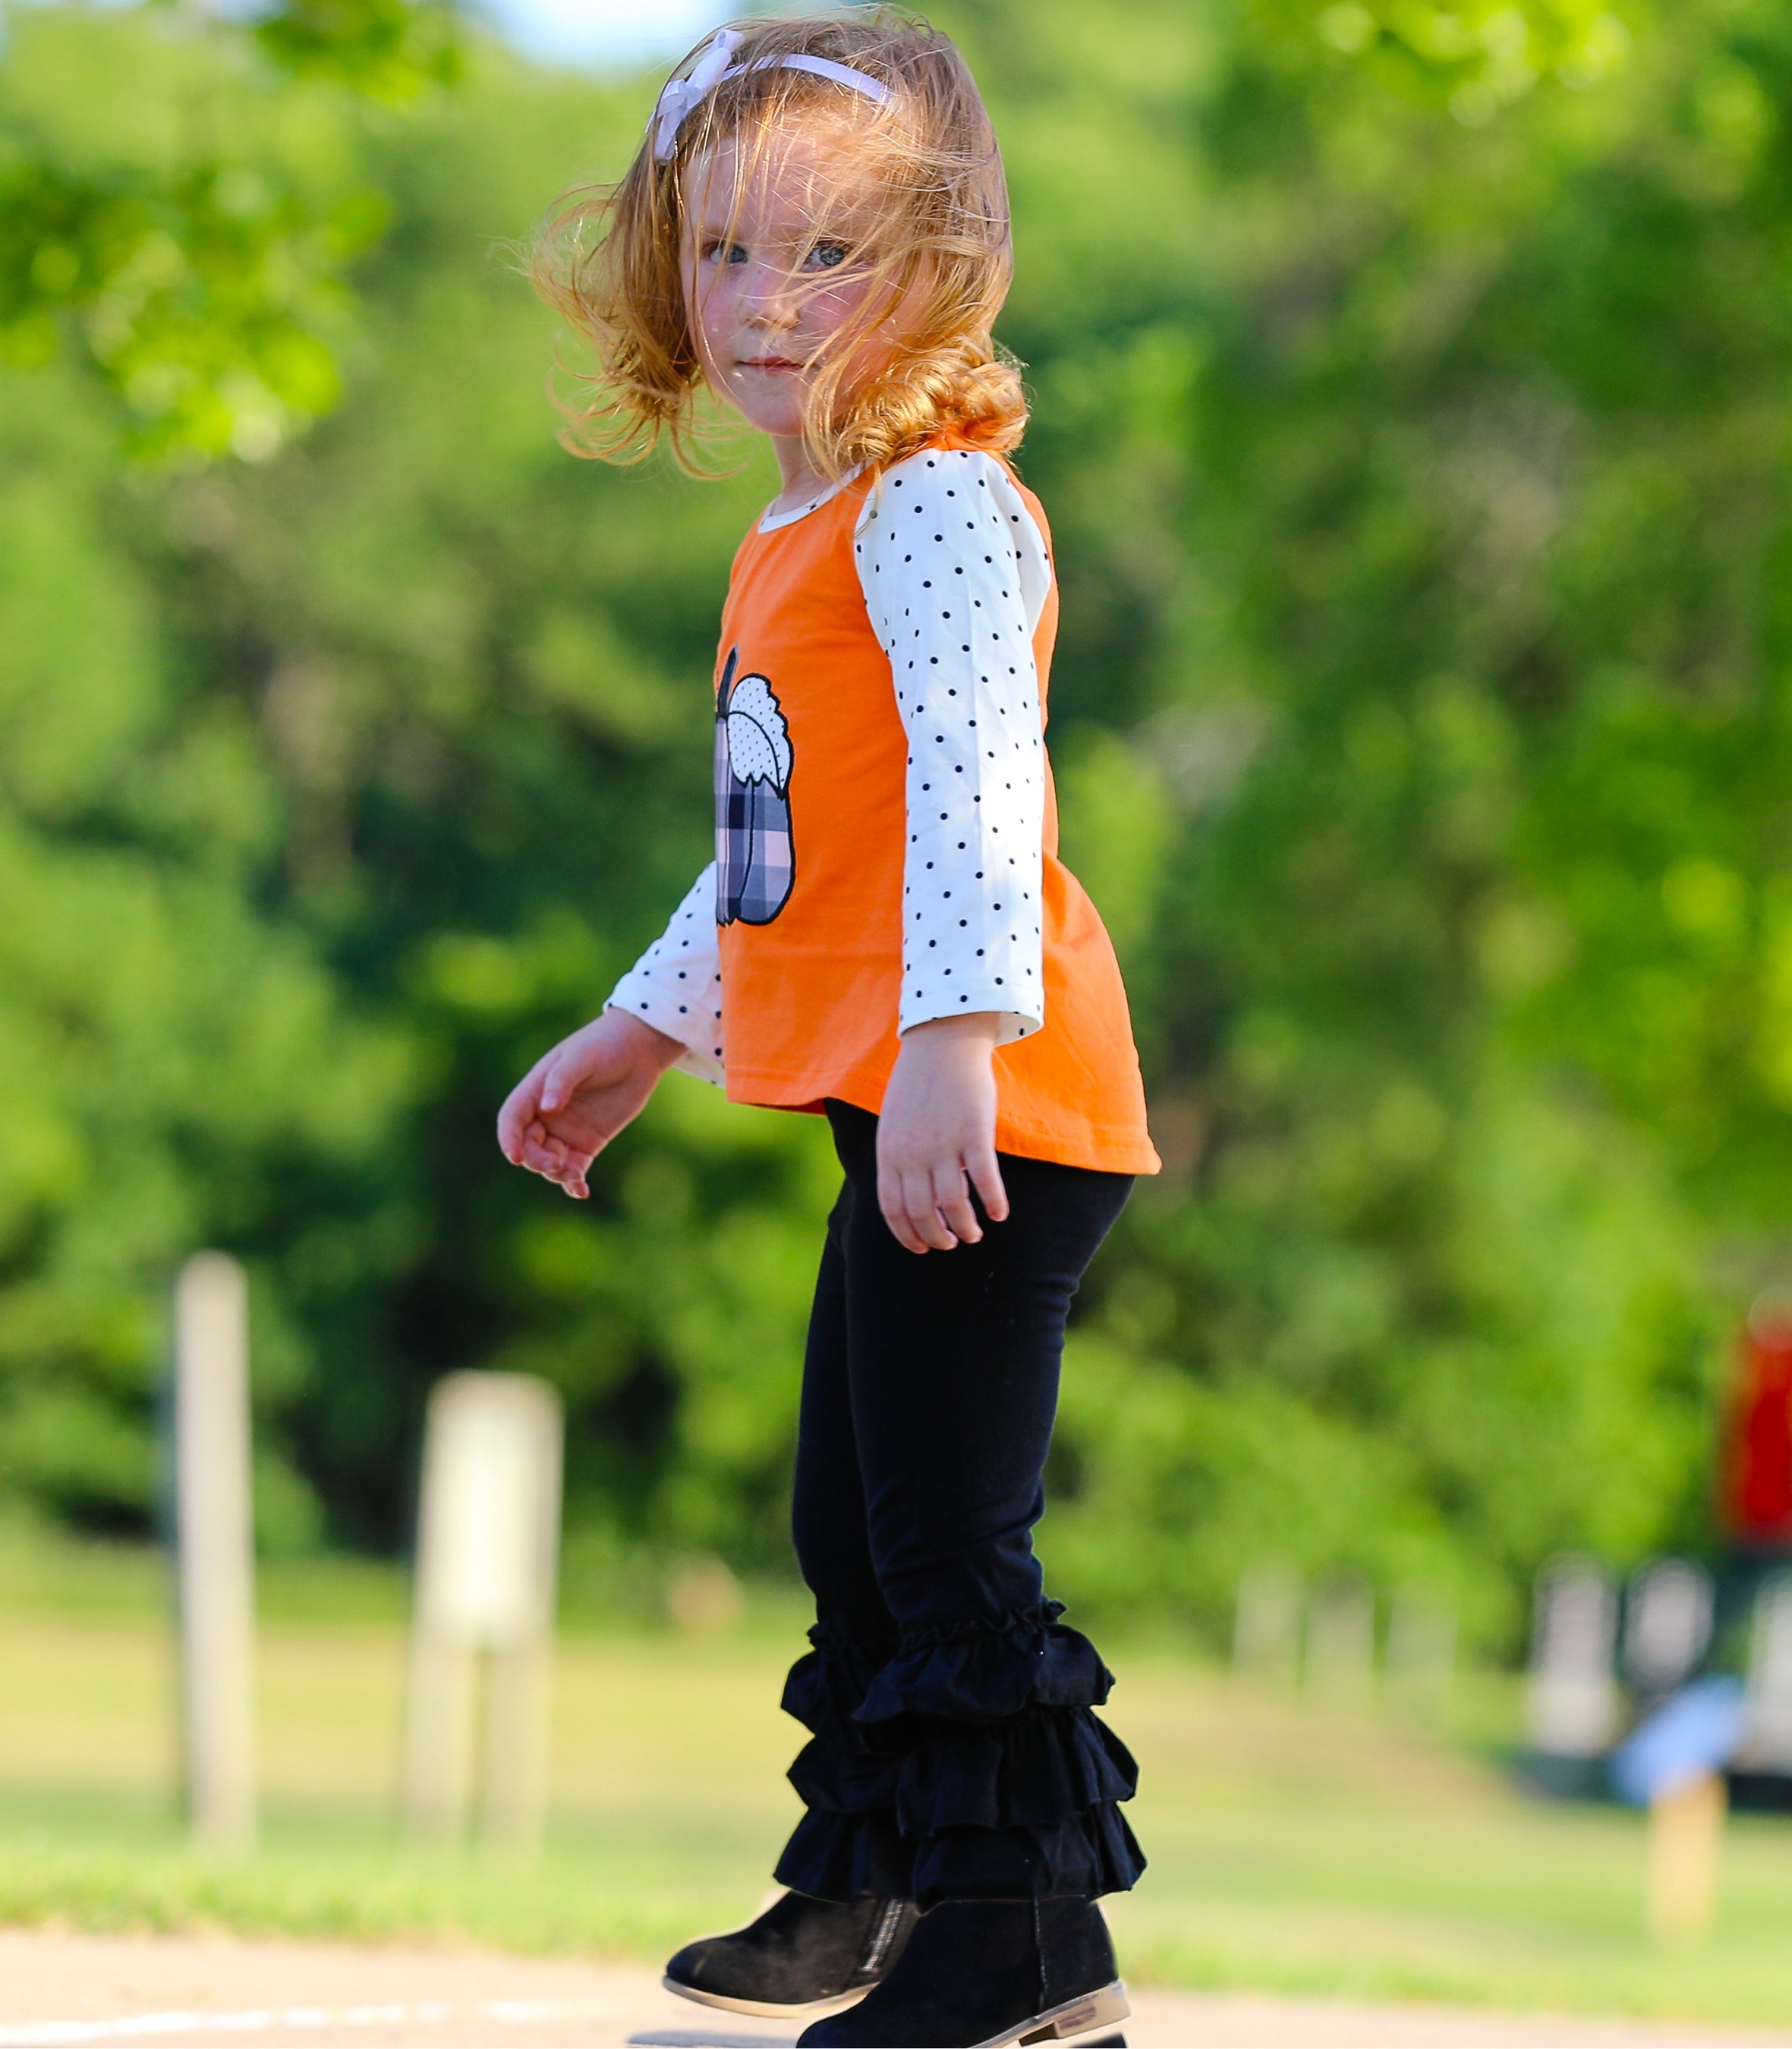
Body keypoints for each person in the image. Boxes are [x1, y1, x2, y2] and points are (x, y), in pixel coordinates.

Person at [499, 14, 1160, 2046]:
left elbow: (980, 783)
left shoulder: (933, 510)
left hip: (990, 1095)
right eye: (723, 257)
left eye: (831, 257)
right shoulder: (793, 530)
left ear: (941, 266)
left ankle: (1021, 1944)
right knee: (846, 1522)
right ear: (662, 272)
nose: (769, 306)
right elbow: (782, 858)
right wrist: (637, 1029)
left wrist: (953, 1042)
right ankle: (864, 1874)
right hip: (901, 1086)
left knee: (947, 1533)